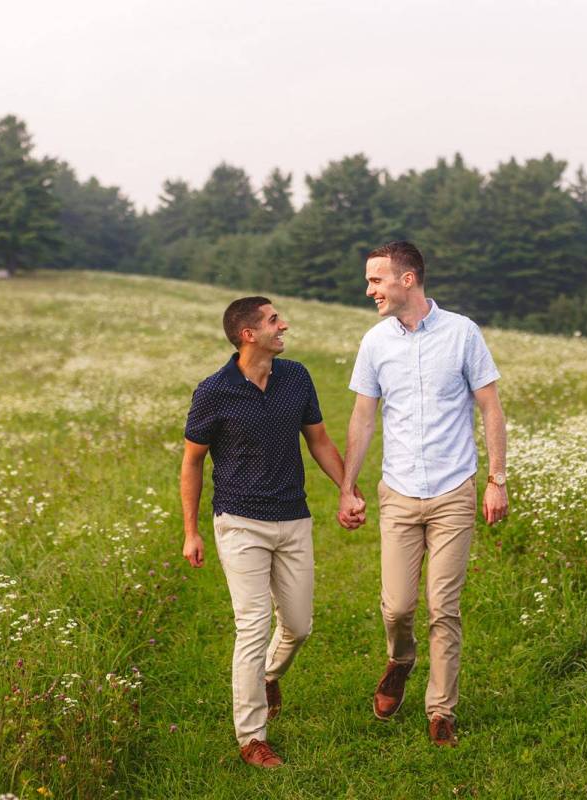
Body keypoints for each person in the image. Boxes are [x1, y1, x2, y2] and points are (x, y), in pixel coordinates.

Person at [337, 241, 508, 747]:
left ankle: (441, 711)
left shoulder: (462, 333)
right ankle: (401, 659)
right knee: (397, 607)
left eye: (376, 280)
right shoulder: (375, 342)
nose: (370, 290)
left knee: (444, 605)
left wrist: (497, 480)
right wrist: (348, 487)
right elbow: (363, 416)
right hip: (399, 492)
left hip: (454, 489)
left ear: (407, 279)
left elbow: (491, 409)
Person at [181, 296, 363, 768]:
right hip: (240, 521)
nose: (284, 324)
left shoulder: (296, 377)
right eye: (273, 320)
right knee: (252, 625)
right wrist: (191, 531)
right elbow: (193, 462)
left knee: (299, 625)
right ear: (248, 334)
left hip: (294, 517)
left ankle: (267, 677)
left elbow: (319, 439)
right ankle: (252, 738)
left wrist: (347, 490)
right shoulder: (214, 391)